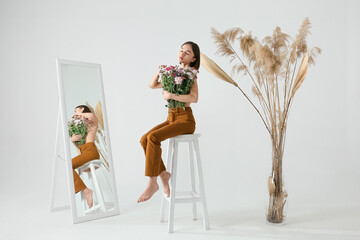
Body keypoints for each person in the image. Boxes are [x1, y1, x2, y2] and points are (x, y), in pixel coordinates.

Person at [138, 41, 200, 203]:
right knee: (145, 138)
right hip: (171, 117)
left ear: (193, 58)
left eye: (187, 52)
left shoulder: (190, 75)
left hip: (185, 120)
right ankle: (163, 175)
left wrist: (172, 96)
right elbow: (152, 85)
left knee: (153, 138)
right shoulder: (173, 73)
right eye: (181, 50)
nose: (182, 54)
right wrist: (159, 72)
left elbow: (194, 98)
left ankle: (152, 183)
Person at [70, 105, 99, 209]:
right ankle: (85, 190)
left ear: (82, 109)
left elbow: (92, 115)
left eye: (76, 110)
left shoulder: (91, 119)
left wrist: (78, 114)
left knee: (68, 165)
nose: (75, 113)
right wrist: (73, 141)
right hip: (84, 151)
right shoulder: (82, 125)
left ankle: (86, 190)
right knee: (68, 166)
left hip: (91, 151)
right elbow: (81, 147)